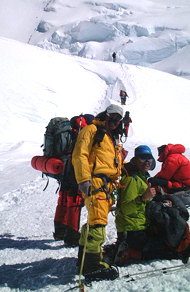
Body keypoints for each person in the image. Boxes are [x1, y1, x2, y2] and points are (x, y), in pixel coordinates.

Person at [106, 145, 190, 265]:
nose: (146, 162)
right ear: (135, 160)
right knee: (167, 250)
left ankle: (126, 247)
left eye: (149, 158)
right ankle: (130, 252)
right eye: (142, 158)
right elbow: (126, 208)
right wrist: (143, 198)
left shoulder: (142, 177)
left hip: (140, 226)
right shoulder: (132, 180)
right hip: (133, 229)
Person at [72, 104, 125, 280]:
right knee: (98, 224)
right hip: (95, 183)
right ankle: (93, 267)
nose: (115, 122)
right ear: (105, 115)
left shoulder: (111, 137)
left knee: (93, 223)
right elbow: (80, 154)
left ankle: (85, 261)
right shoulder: (91, 130)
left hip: (107, 185)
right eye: (112, 118)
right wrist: (83, 180)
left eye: (118, 119)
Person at [53, 114, 94, 247]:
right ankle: (72, 236)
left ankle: (60, 231)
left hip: (65, 167)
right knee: (75, 201)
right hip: (75, 169)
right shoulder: (85, 133)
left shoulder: (72, 131)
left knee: (63, 198)